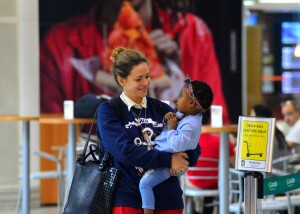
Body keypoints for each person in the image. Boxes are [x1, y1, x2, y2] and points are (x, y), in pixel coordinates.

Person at [97, 46, 200, 214]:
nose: (146, 83)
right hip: (127, 197)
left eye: (148, 76)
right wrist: (168, 159)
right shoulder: (109, 111)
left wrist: (183, 158)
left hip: (167, 198)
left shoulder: (161, 108)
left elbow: (191, 148)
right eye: (138, 78)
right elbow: (125, 152)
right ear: (121, 80)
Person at [40, 0, 230, 123]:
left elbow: (215, 119)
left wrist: (177, 72)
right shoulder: (59, 44)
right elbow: (53, 132)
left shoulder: (192, 32)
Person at [133, 77, 213, 214]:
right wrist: (168, 119)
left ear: (191, 103)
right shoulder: (186, 115)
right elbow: (173, 121)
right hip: (166, 156)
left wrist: (171, 128)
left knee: (145, 184)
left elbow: (177, 144)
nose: (177, 98)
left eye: (181, 95)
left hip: (169, 160)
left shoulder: (191, 124)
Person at [187, 109, 236, 214]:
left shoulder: (188, 139)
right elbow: (234, 164)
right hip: (216, 182)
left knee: (180, 179)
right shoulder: (222, 140)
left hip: (195, 182)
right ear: (210, 119)